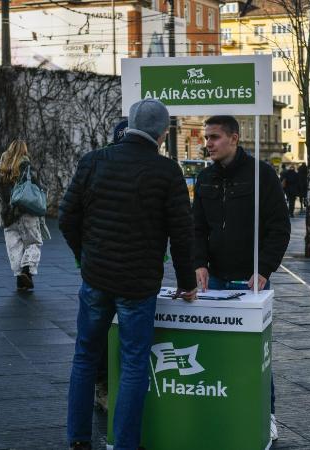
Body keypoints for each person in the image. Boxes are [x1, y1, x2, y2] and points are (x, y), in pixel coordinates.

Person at [59, 99, 197, 450]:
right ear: (163, 134)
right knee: (135, 363)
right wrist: (186, 284)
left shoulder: (93, 161)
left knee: (85, 355)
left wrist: (85, 257)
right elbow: (182, 235)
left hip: (96, 278)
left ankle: (77, 438)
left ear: (128, 124)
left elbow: (66, 218)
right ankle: (124, 444)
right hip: (138, 284)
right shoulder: (167, 172)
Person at [193, 115, 290, 442]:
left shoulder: (262, 175)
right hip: (215, 279)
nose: (208, 144)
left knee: (255, 353)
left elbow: (280, 227)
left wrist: (263, 269)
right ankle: (226, 409)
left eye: (215, 137)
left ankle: (267, 414)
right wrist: (198, 263)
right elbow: (197, 228)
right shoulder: (205, 178)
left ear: (234, 138)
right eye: (207, 138)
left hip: (251, 280)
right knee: (218, 351)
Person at [94, 118, 129, 414]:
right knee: (108, 334)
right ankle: (104, 387)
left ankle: (105, 387)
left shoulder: (97, 164)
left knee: (101, 335)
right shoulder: (101, 167)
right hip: (111, 269)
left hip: (106, 267)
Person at [0, 140, 51, 292]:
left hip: (8, 215)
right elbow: (39, 188)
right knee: (33, 242)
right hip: (27, 212)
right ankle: (27, 269)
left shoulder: (1, 170)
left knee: (15, 247)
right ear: (24, 151)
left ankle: (21, 279)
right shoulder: (27, 168)